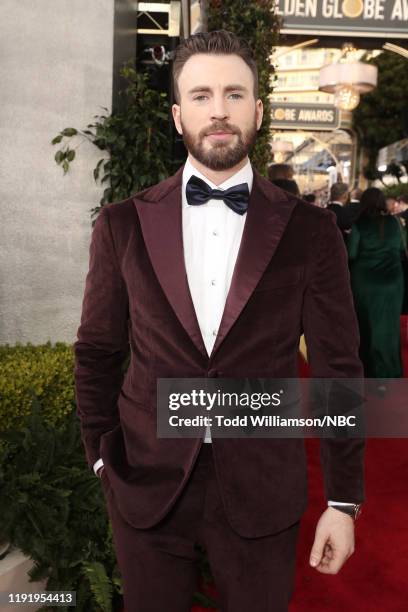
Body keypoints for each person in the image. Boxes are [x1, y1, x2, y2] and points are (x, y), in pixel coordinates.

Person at [74, 30, 365, 612]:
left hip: (262, 484)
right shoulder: (121, 225)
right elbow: (98, 351)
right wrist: (103, 456)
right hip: (147, 482)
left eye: (234, 94)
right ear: (179, 114)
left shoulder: (311, 231)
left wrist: (344, 502)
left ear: (257, 110)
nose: (219, 111)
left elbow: (337, 368)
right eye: (202, 95)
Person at [347, 187, 405, 378]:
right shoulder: (394, 222)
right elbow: (400, 249)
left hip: (365, 283)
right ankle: (391, 370)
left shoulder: (359, 224)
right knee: (390, 326)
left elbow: (352, 254)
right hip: (393, 282)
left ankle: (370, 370)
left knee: (366, 326)